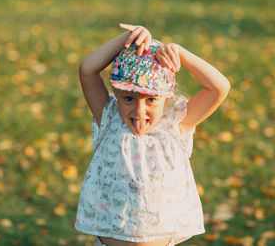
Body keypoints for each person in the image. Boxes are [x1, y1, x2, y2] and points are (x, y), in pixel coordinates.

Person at [75, 23, 231, 246]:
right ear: (116, 95)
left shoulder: (175, 127)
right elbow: (87, 69)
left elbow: (219, 87)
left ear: (166, 98)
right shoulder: (110, 120)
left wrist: (179, 53)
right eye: (128, 98)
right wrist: (127, 39)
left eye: (151, 100)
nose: (139, 111)